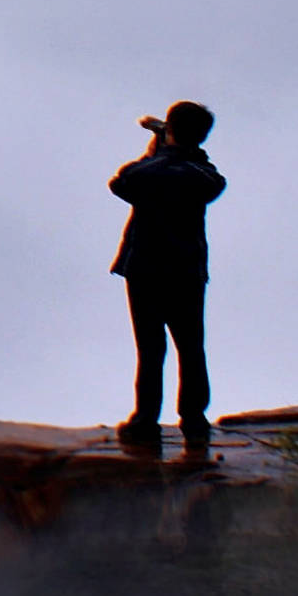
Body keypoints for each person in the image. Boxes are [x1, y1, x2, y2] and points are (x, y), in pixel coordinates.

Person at [109, 101, 225, 453]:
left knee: (150, 348)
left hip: (144, 267)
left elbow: (121, 182)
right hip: (186, 270)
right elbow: (212, 180)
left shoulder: (147, 172)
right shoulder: (202, 175)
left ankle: (145, 419)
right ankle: (193, 419)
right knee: (191, 346)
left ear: (169, 130)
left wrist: (157, 150)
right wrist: (179, 149)